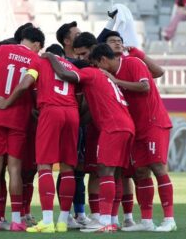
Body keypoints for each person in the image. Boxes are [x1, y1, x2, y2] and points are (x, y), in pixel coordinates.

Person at [0, 44, 80, 233]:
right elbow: (81, 95)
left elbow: (24, 84)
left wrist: (7, 102)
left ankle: (47, 221)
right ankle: (63, 221)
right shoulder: (71, 66)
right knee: (67, 167)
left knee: (44, 165)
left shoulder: (38, 61)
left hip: (51, 110)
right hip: (72, 113)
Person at [42, 52, 135, 233]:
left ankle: (105, 221)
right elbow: (87, 114)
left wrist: (51, 57)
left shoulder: (90, 73)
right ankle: (112, 219)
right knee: (114, 174)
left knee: (105, 171)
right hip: (126, 125)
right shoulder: (104, 79)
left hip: (113, 127)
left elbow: (66, 75)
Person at [90, 42, 176, 232]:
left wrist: (115, 81)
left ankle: (169, 219)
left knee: (158, 167)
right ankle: (146, 221)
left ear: (103, 60)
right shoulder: (110, 75)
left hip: (154, 123)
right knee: (140, 172)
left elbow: (145, 87)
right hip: (136, 128)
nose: (98, 70)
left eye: (97, 65)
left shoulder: (132, 63)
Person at [0, 26, 45, 232]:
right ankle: (16, 221)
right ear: (37, 44)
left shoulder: (2, 51)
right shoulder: (36, 60)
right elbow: (27, 87)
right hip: (18, 119)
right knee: (15, 169)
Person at [56, 22, 90, 228]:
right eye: (76, 34)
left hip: (82, 121)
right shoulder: (64, 64)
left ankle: (79, 213)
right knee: (69, 167)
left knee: (80, 169)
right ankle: (66, 213)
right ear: (67, 41)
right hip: (70, 120)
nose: (81, 35)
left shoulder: (78, 61)